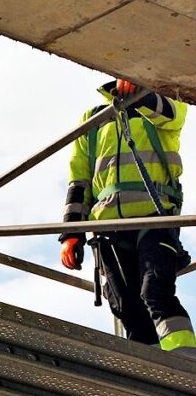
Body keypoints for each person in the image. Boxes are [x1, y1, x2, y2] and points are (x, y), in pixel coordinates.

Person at [59, 79, 195, 359]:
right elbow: (80, 180)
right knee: (125, 305)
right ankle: (148, 369)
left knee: (155, 290)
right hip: (107, 226)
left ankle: (186, 361)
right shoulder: (94, 119)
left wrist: (140, 92)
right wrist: (72, 233)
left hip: (155, 218)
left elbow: (171, 113)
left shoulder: (165, 102)